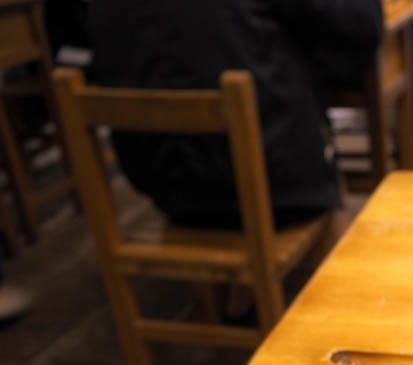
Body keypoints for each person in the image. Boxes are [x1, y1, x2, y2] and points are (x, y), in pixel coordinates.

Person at [86, 0, 383, 230]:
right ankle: (334, 291)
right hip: (275, 185)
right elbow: (361, 26)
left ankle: (238, 299)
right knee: (310, 138)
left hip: (161, 181)